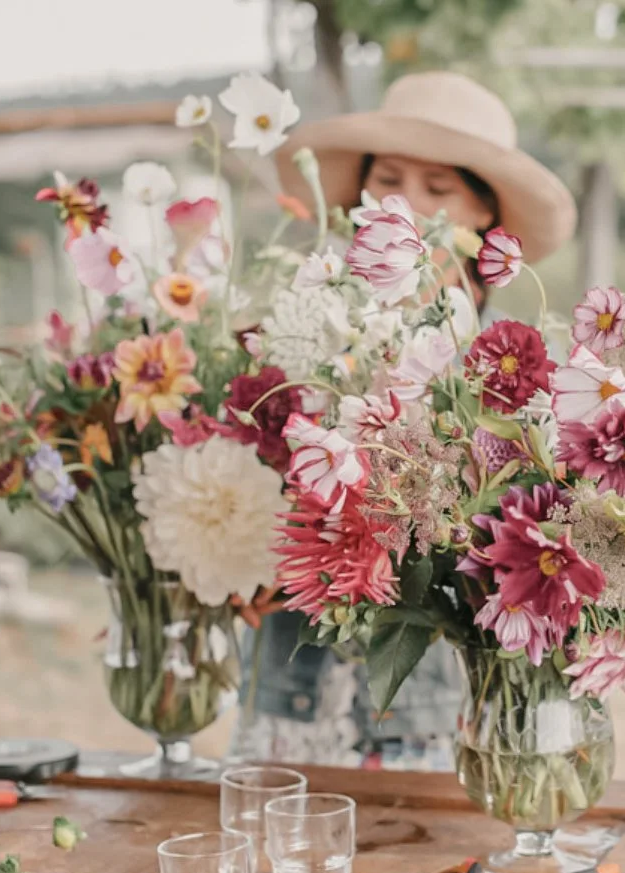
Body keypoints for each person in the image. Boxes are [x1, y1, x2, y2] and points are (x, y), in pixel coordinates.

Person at [229, 71, 577, 770]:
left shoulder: (523, 380)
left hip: (435, 702)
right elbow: (243, 481)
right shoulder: (291, 339)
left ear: (484, 216)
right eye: (387, 178)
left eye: (437, 189)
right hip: (291, 684)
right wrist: (245, 554)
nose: (404, 204)